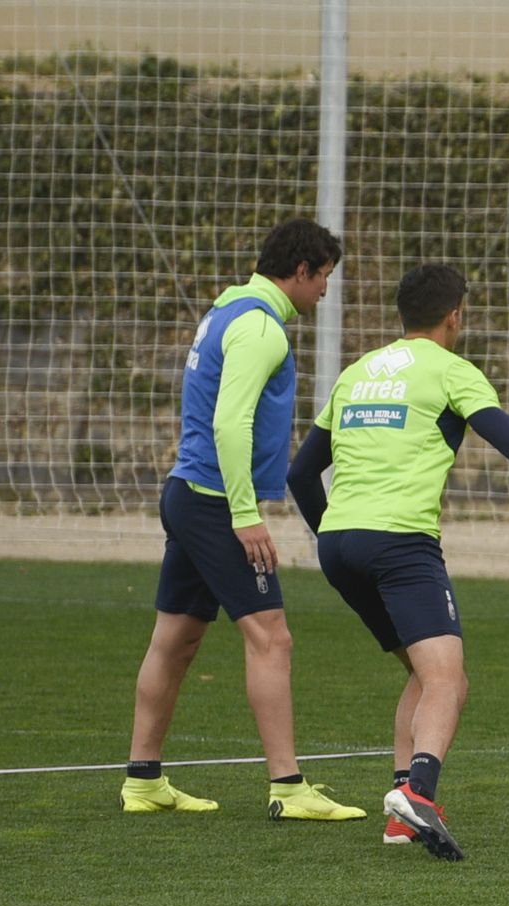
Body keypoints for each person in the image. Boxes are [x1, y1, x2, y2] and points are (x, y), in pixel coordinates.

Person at [287, 264, 509, 856]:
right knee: (446, 679)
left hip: (338, 544)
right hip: (400, 543)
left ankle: (399, 815)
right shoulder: (452, 372)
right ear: (455, 315)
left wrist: (332, 534)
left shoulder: (358, 373)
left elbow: (300, 473)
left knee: (420, 670)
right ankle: (422, 794)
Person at [121, 218, 365, 821]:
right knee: (271, 636)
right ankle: (288, 786)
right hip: (213, 503)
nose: (326, 292)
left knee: (176, 639)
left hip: (189, 493)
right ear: (302, 270)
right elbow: (232, 424)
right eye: (325, 278)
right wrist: (246, 513)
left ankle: (142, 781)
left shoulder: (226, 310)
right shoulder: (261, 328)